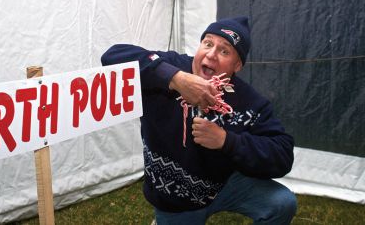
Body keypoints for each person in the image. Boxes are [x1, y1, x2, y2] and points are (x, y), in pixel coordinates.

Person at [101, 16, 297, 224]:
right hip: (176, 200)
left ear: (237, 65)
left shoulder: (250, 102)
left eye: (224, 51)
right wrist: (175, 78)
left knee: (282, 203)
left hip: (223, 185)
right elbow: (112, 56)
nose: (211, 54)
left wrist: (226, 141)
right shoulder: (172, 66)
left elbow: (282, 155)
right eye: (208, 43)